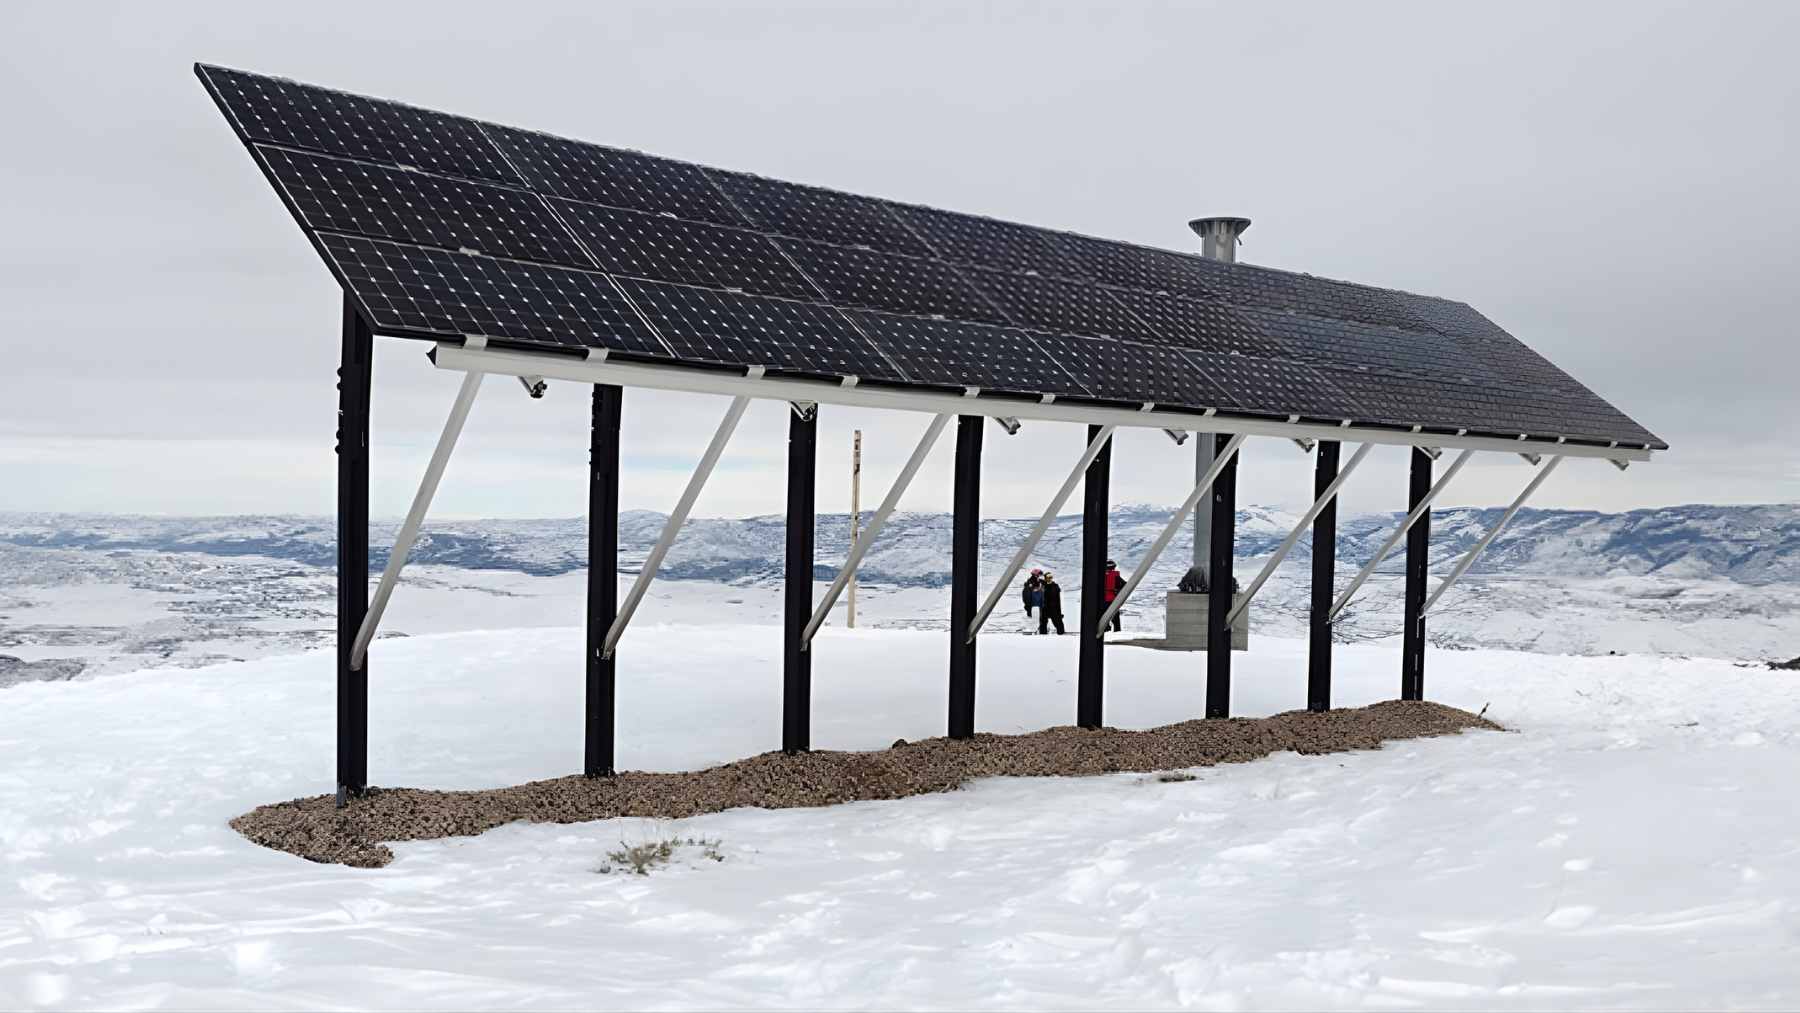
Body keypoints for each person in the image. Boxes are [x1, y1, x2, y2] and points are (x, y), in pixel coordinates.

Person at [1102, 559, 1125, 632]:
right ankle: (1117, 631)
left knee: (1103, 617)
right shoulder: (1115, 575)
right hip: (1113, 600)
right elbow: (1124, 585)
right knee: (1115, 618)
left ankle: (1106, 629)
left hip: (1103, 601)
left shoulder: (1100, 576)